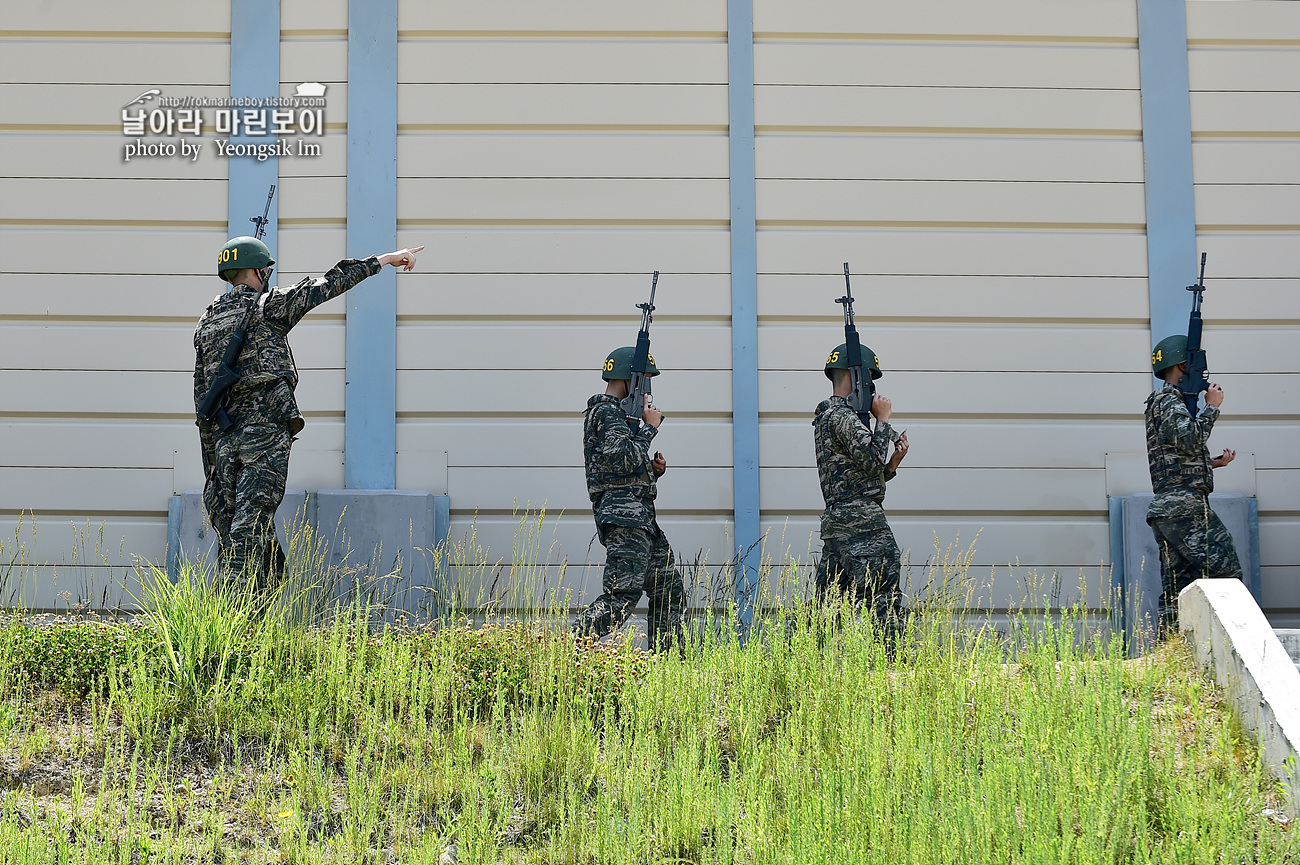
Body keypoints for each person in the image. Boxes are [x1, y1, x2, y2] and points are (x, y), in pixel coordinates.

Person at [194, 236, 423, 591]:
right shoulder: (268, 305)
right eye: (266, 268)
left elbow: (202, 398)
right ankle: (227, 623)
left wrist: (209, 457)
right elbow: (328, 284)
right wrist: (385, 259)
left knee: (259, 549)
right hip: (263, 435)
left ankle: (254, 625)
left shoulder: (207, 323)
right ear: (257, 270)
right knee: (249, 526)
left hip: (224, 443)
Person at [573, 347, 686, 650]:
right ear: (630, 378)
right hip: (625, 519)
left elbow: (621, 468)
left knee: (668, 587)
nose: (647, 389)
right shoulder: (607, 413)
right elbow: (621, 460)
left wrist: (652, 471)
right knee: (621, 596)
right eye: (645, 380)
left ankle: (669, 664)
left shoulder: (617, 414)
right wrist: (649, 428)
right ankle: (567, 648)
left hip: (641, 519)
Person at [1145, 334, 1242, 626]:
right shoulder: (1168, 399)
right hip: (1184, 507)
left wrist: (1212, 464)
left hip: (1170, 509)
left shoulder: (1162, 402)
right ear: (1184, 367)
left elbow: (1173, 456)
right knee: (1226, 571)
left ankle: (1171, 652)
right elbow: (1189, 438)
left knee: (1178, 589)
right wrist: (1212, 406)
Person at [813, 344, 910, 628]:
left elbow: (854, 476)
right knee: (883, 597)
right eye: (870, 379)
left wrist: (891, 465)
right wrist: (882, 420)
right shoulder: (841, 416)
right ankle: (892, 664)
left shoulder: (828, 418)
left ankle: (813, 663)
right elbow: (870, 459)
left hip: (839, 522)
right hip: (862, 524)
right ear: (860, 377)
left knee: (829, 605)